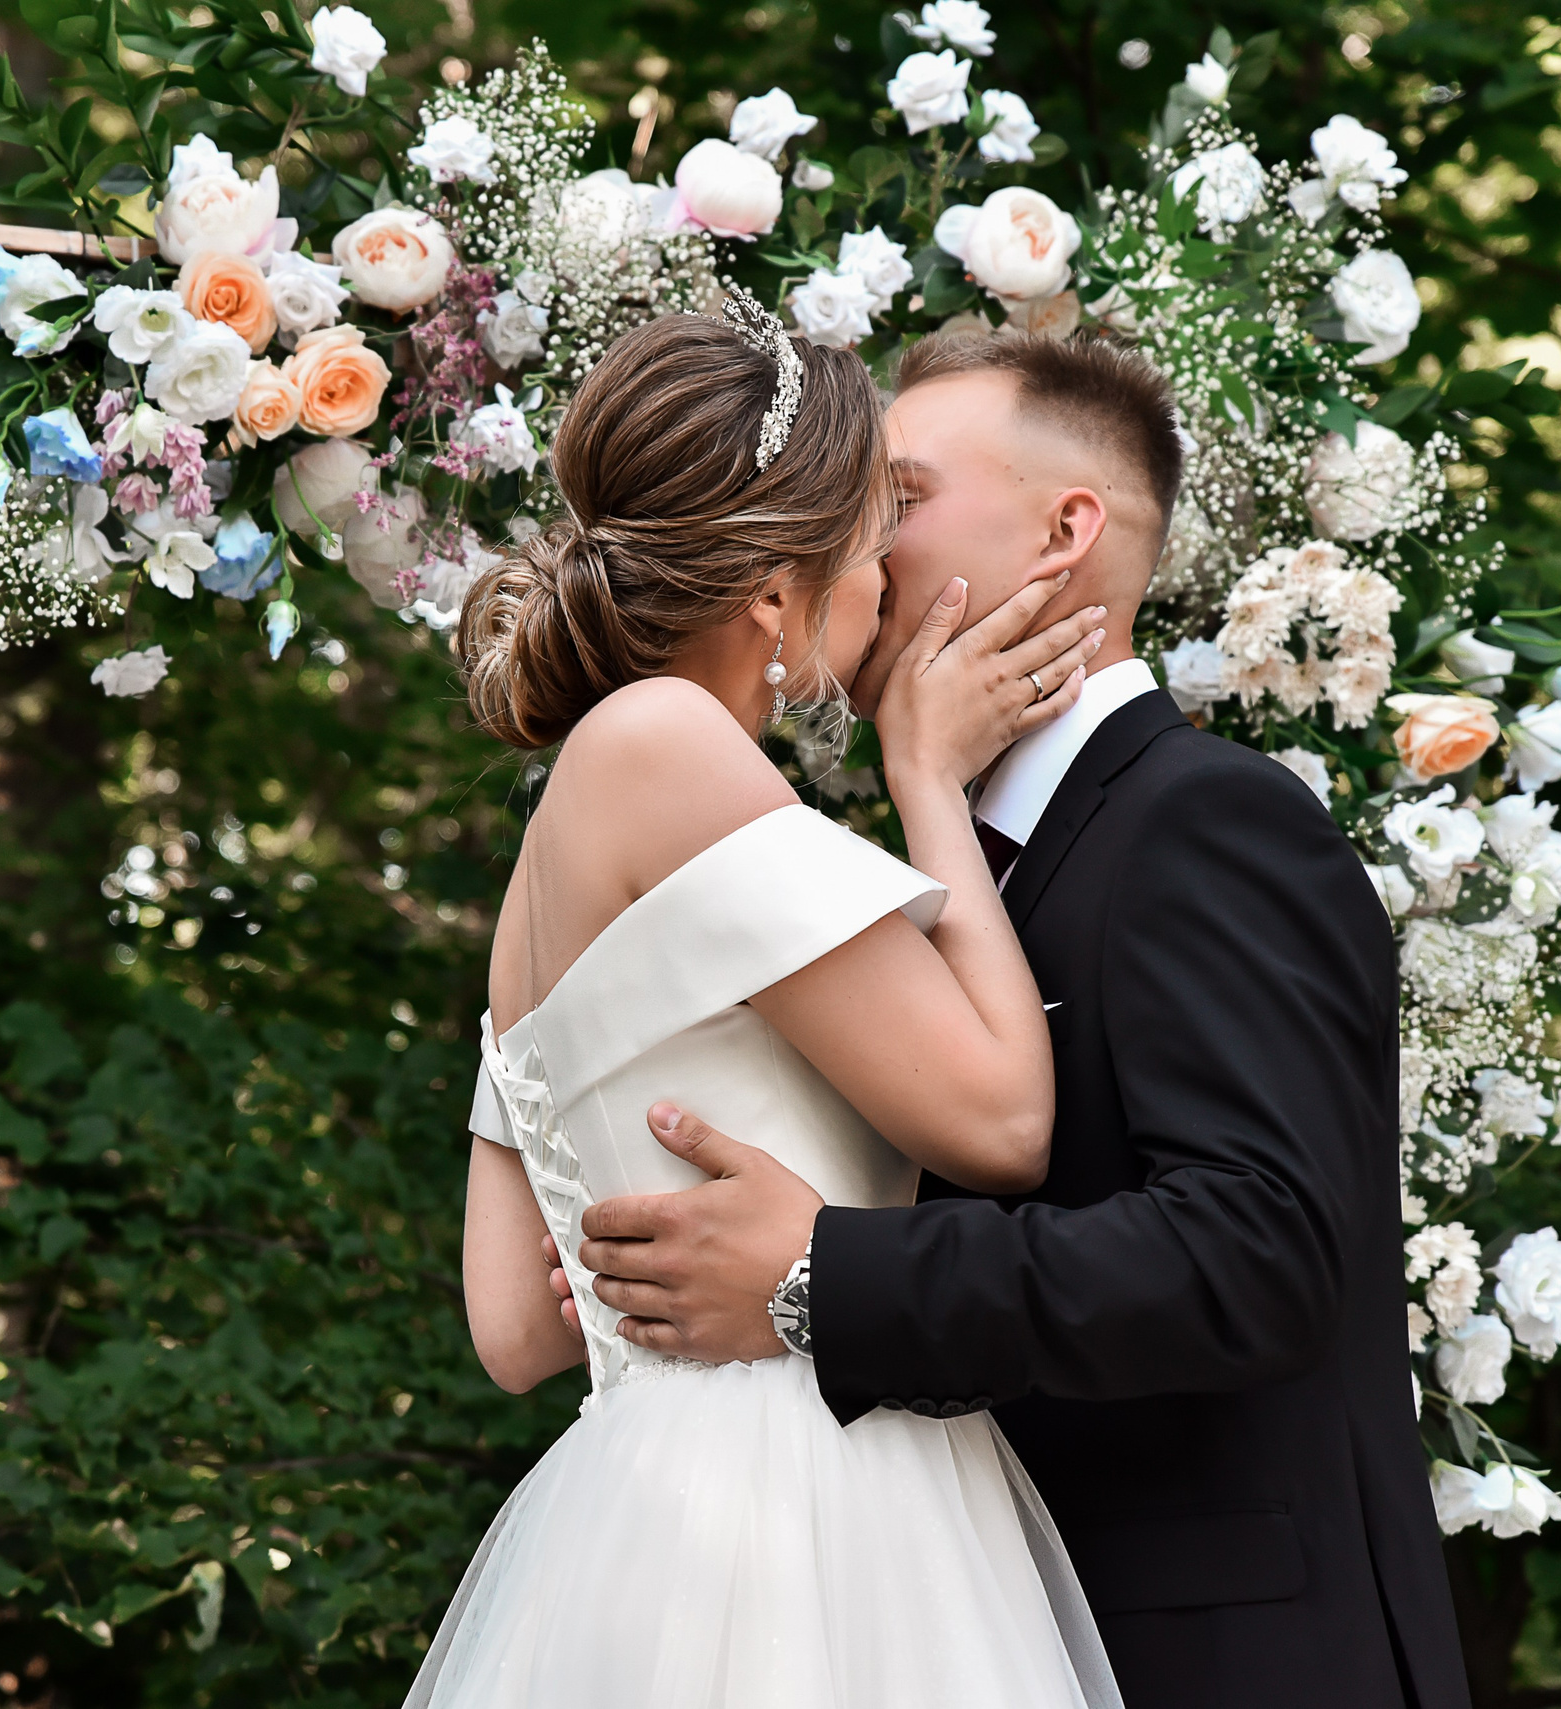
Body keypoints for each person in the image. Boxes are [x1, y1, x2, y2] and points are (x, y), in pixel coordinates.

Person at [559, 332, 1471, 1709]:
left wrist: (822, 1280)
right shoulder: (935, 879)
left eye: (902, 496)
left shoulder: (1204, 820)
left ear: (1067, 530)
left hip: (1214, 1655)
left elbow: (1259, 1254)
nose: (858, 534)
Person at [408, 299, 1118, 1709]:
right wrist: (927, 781)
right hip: (799, 1496)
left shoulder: (556, 842)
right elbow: (1000, 1114)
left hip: (640, 1511)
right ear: (776, 596)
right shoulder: (672, 743)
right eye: (864, 551)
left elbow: (511, 1324)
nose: (881, 593)